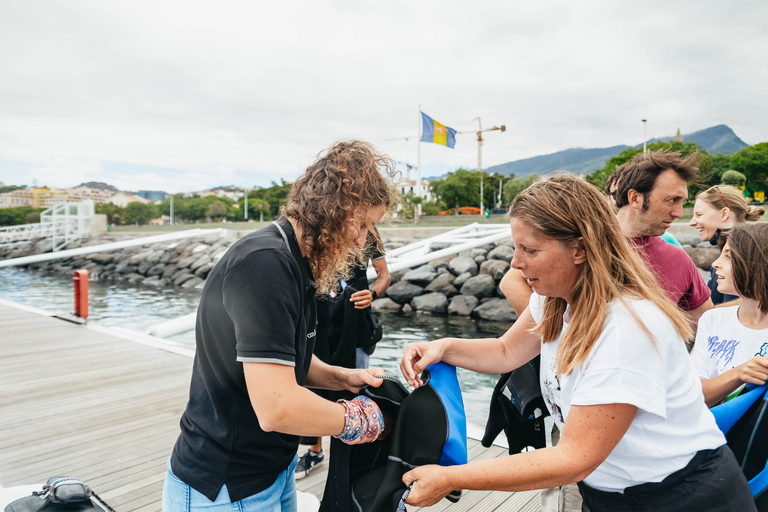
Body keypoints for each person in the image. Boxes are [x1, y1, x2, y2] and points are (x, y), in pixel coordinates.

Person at [400, 174, 754, 511]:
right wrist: (444, 347)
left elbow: (574, 458)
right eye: (516, 247)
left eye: (530, 249)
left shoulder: (627, 329)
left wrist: (449, 478)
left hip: (680, 497)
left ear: (580, 250)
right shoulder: (554, 296)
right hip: (611, 493)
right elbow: (507, 351)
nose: (515, 262)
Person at [162, 140, 396, 512]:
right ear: (336, 209)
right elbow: (277, 406)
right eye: (363, 225)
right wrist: (359, 421)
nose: (362, 241)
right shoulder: (265, 265)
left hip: (271, 470)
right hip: (228, 486)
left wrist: (343, 378)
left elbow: (285, 359)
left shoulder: (295, 259)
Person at [295, 228, 391, 479]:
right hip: (320, 319)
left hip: (355, 321)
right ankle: (315, 452)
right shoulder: (321, 229)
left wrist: (373, 294)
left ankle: (351, 455)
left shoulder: (369, 233)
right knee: (311, 384)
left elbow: (384, 276)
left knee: (355, 386)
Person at [613, 150, 713, 323]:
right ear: (635, 198)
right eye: (672, 200)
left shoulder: (678, 259)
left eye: (683, 202)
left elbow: (708, 328)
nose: (679, 213)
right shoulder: (585, 251)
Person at [692, 223, 768, 407]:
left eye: (728, 257)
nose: (715, 263)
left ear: (756, 263)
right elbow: (690, 395)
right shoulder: (713, 320)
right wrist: (739, 374)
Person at [689, 184, 765, 305]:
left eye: (699, 215)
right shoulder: (746, 249)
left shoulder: (741, 254)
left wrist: (706, 313)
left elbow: (737, 313)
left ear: (724, 214)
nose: (692, 222)